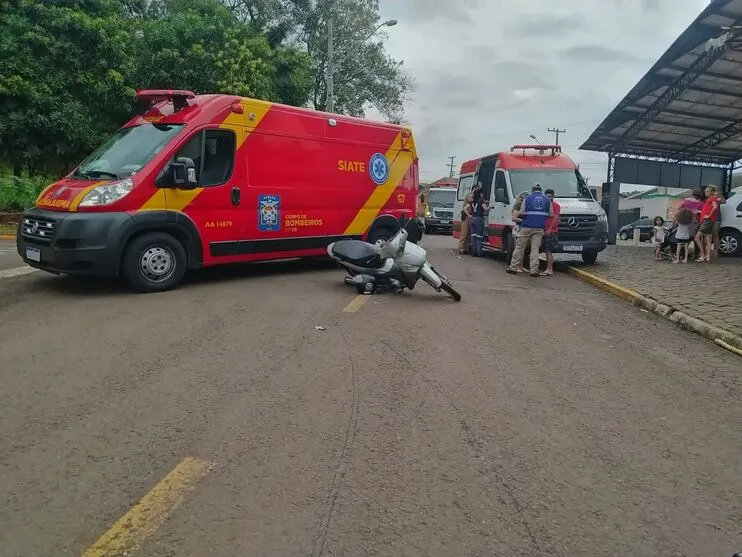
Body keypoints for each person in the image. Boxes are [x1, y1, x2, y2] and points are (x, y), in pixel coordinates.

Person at [507, 184, 552, 277]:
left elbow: (522, 212)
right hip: (539, 227)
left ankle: (513, 268)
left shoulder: (527, 199)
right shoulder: (547, 200)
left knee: (519, 247)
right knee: (535, 249)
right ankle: (534, 270)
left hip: (526, 226)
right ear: (540, 190)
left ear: (532, 190)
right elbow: (551, 214)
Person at [696, 185, 721, 262]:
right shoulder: (712, 199)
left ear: (711, 192)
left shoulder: (712, 199)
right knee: (708, 239)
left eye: (707, 191)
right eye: (705, 191)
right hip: (710, 221)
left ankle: (703, 255)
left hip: (707, 221)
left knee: (696, 238)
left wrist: (708, 215)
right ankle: (707, 256)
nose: (705, 193)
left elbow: (715, 207)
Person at [540, 188, 561, 276]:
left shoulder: (555, 205)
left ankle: (549, 269)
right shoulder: (544, 205)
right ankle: (548, 268)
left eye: (550, 196)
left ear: (553, 196)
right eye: (546, 196)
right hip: (543, 230)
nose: (548, 198)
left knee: (548, 250)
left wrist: (550, 229)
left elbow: (556, 218)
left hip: (551, 231)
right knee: (545, 250)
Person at [468, 184, 489, 257]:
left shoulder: (472, 201)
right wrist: (490, 206)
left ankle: (473, 252)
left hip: (473, 218)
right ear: (480, 194)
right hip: (479, 219)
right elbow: (485, 209)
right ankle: (479, 252)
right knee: (479, 237)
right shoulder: (481, 200)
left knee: (473, 236)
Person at [510, 192, 528, 272]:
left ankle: (521, 266)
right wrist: (524, 220)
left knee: (522, 249)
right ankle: (516, 266)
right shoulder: (517, 208)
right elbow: (514, 218)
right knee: (518, 248)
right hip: (518, 229)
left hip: (523, 228)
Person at [707, 186, 726, 258]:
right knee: (707, 235)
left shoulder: (717, 197)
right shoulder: (708, 197)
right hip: (708, 218)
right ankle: (708, 252)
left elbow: (724, 201)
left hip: (716, 218)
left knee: (715, 235)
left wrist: (719, 195)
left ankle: (715, 252)